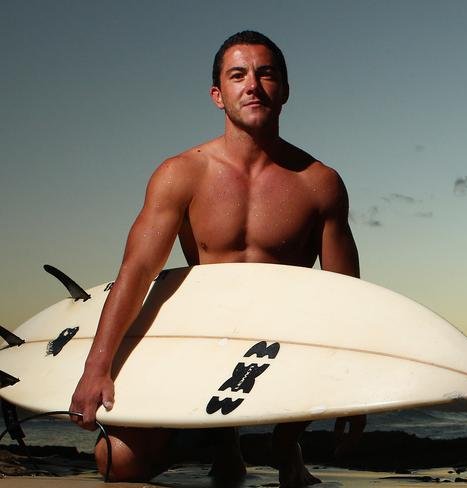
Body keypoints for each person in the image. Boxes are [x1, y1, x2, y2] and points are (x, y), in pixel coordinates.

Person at [69, 31, 363, 487]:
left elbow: (346, 298)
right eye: (238, 75)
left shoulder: (319, 183)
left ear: (284, 89)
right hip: (204, 342)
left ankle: (287, 446)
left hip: (287, 347)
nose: (253, 85)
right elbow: (136, 272)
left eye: (266, 74)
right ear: (217, 95)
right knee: (116, 461)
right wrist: (96, 368)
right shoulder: (180, 174)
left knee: (311, 325)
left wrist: (356, 389)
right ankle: (224, 442)